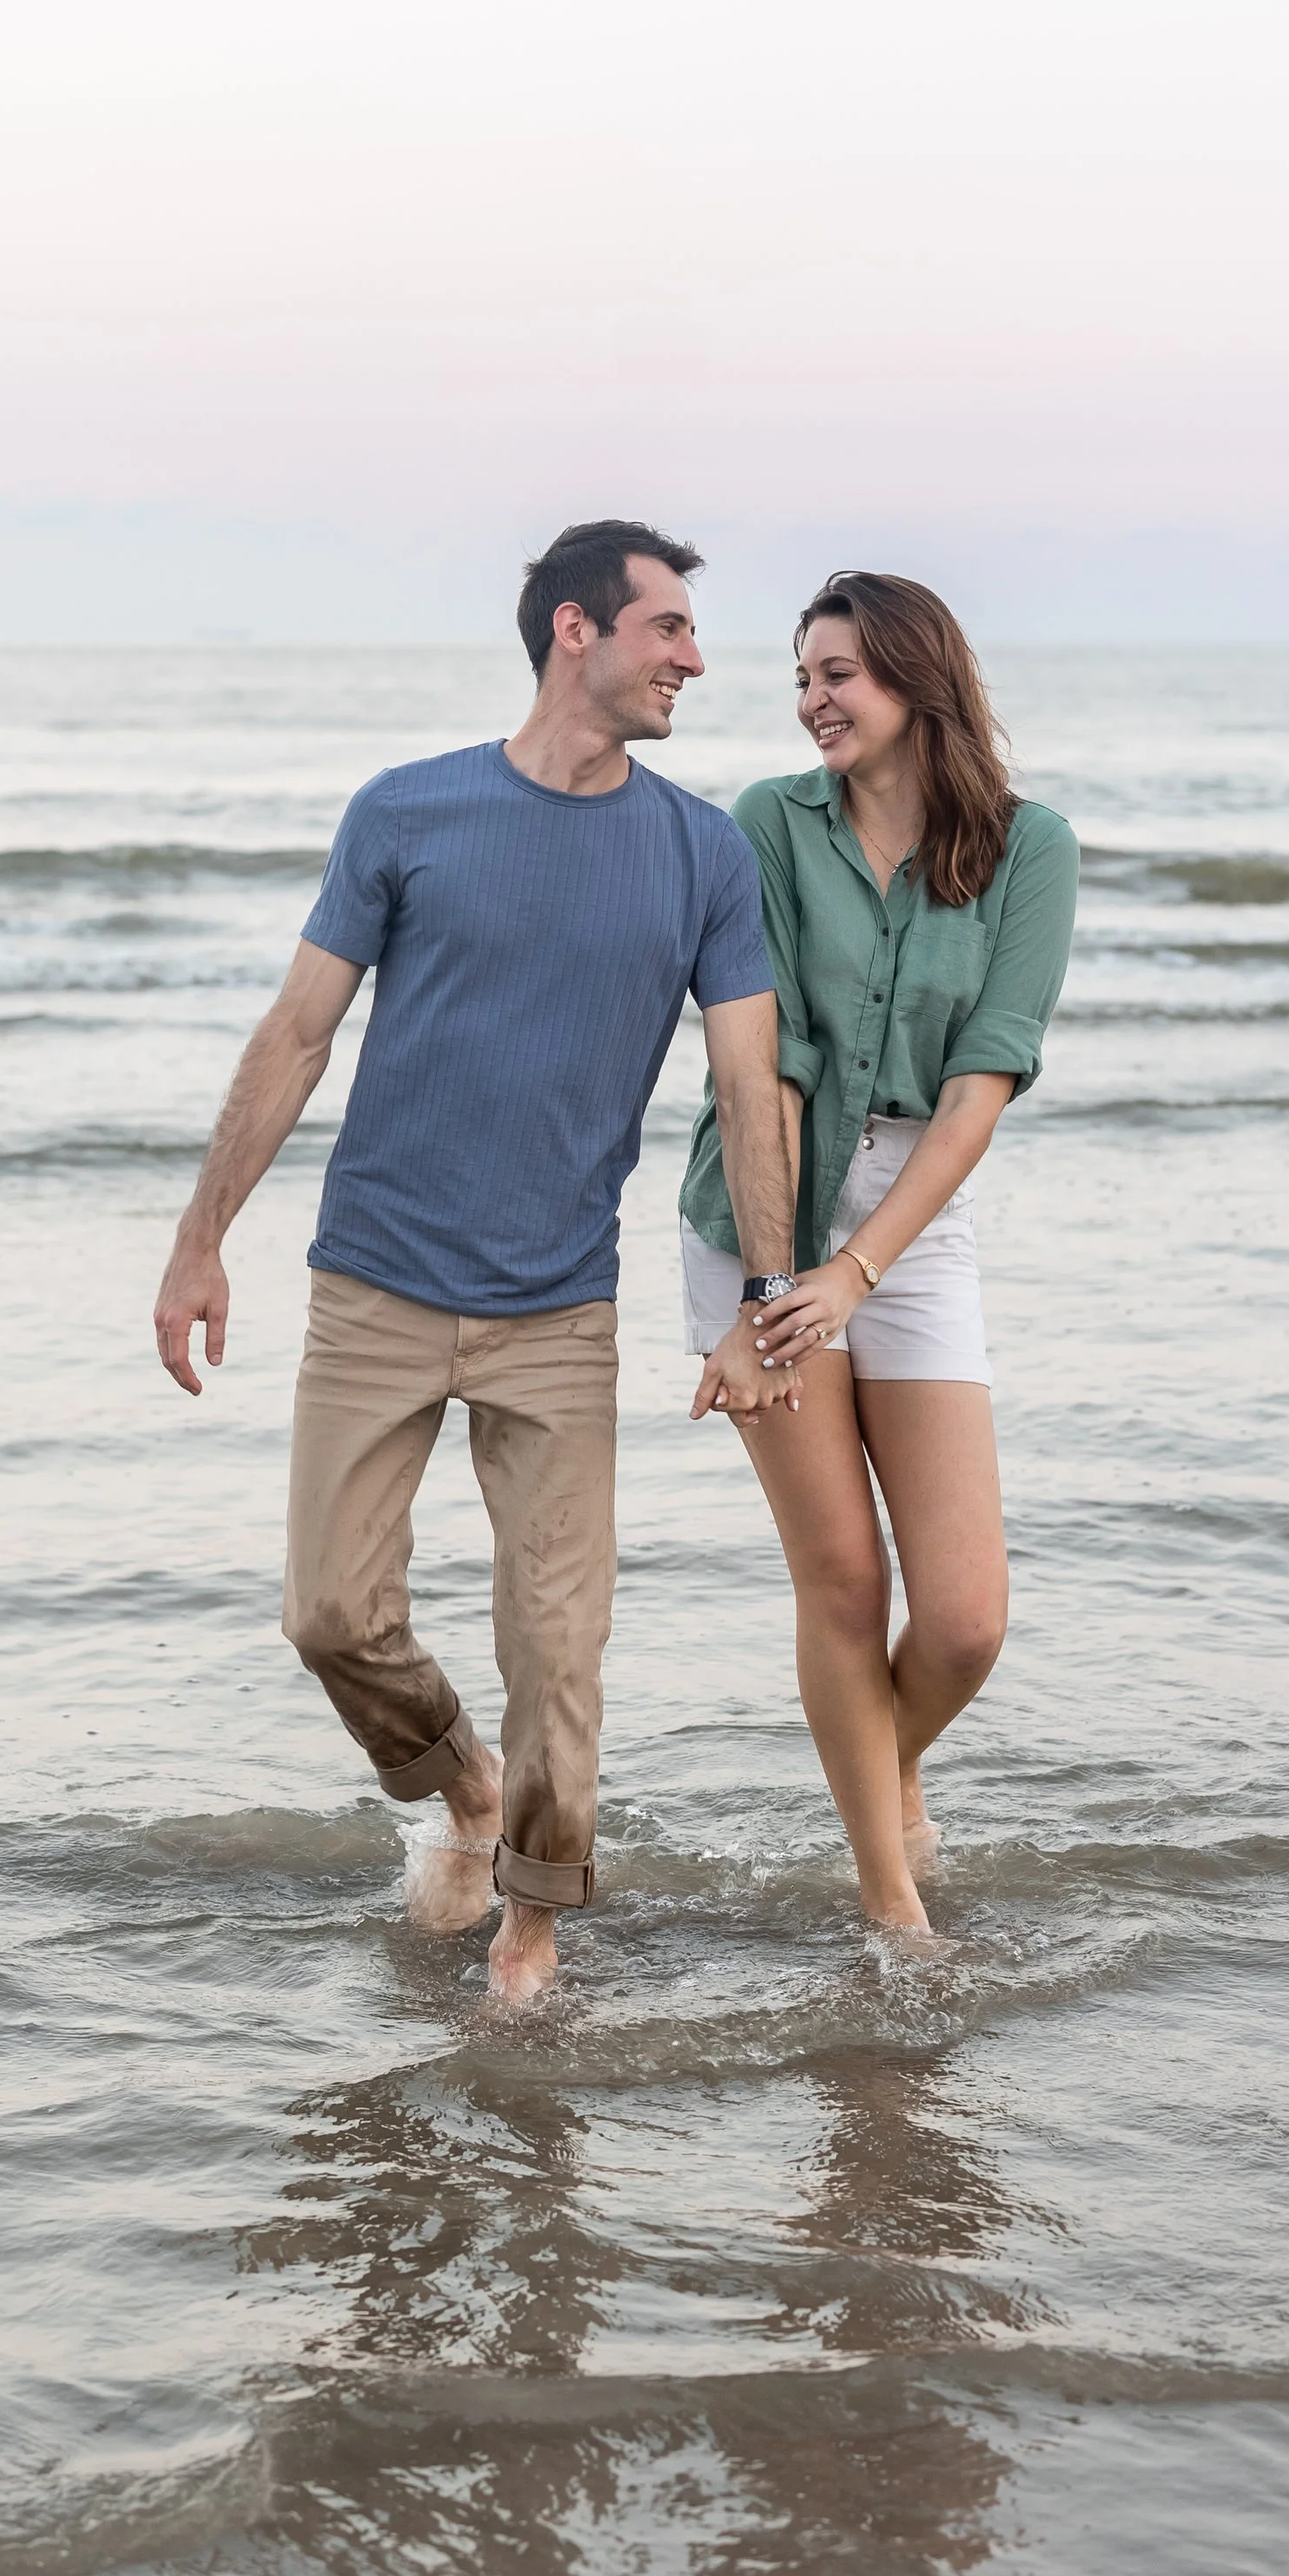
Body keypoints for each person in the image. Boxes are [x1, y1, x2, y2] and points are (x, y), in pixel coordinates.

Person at [154, 521, 799, 2002]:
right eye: (670, 629)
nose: (695, 659)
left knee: (560, 1650)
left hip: (558, 1312)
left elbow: (749, 1085)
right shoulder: (407, 812)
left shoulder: (702, 849)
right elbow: (298, 1033)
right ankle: (461, 1784)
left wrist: (765, 1299)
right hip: (374, 1281)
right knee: (329, 1613)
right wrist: (202, 1241)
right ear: (577, 631)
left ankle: (533, 1923)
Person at [679, 571, 1077, 1932]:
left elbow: (979, 1093)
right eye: (802, 676)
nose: (811, 700)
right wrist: (772, 1286)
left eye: (837, 672)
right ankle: (888, 1900)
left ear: (916, 677)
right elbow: (769, 1071)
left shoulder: (1032, 848)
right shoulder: (767, 829)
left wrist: (863, 1271)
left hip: (916, 1210)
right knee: (845, 1575)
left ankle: (881, 1767)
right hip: (763, 1198)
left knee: (962, 1617)